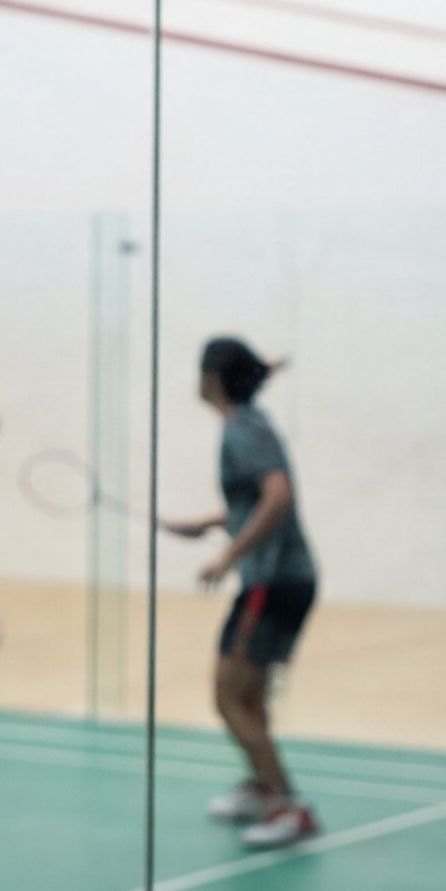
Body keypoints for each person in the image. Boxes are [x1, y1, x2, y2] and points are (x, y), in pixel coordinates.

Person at [163, 337, 320, 849]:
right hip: (285, 579)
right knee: (248, 695)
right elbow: (258, 501)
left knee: (228, 696)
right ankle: (261, 787)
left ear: (210, 380)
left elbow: (278, 495)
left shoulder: (240, 431)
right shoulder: (250, 422)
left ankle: (288, 806)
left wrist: (229, 555)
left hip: (270, 583)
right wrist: (213, 523)